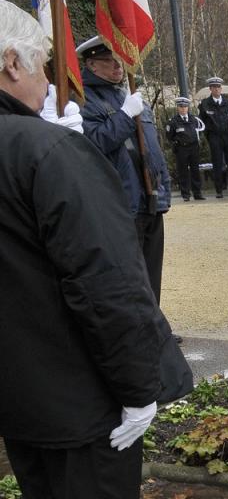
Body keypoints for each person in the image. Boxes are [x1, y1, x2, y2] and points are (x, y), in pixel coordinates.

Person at [0, 0, 199, 499]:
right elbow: (105, 280)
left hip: (17, 384)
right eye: (45, 66)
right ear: (10, 64)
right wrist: (138, 383)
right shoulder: (43, 148)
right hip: (75, 379)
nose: (50, 82)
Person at [77, 36, 173, 307]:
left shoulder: (125, 94)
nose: (118, 67)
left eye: (119, 61)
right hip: (121, 198)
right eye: (109, 62)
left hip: (149, 195)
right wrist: (124, 116)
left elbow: (153, 148)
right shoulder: (85, 100)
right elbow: (96, 142)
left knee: (152, 268)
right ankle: (138, 326)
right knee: (129, 270)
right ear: (92, 65)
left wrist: (163, 186)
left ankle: (154, 321)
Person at [197, 76, 228, 197]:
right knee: (217, 163)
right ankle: (219, 190)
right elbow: (201, 122)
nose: (216, 89)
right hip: (214, 135)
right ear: (210, 89)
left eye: (218, 87)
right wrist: (208, 134)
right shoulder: (205, 103)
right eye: (214, 87)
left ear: (221, 88)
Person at [165, 97, 204, 202]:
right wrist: (177, 142)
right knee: (183, 172)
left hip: (193, 147)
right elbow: (169, 135)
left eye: (185, 107)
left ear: (188, 107)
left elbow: (199, 131)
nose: (183, 109)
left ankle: (197, 193)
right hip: (181, 148)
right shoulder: (173, 121)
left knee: (195, 170)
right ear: (177, 108)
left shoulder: (193, 119)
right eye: (181, 107)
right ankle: (185, 194)